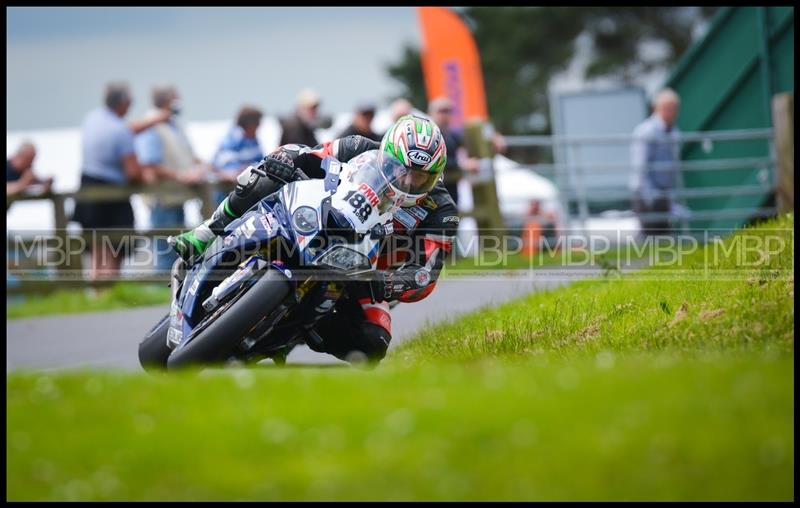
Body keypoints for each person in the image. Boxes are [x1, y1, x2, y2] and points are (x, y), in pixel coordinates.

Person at [170, 114, 456, 365]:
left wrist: (391, 283)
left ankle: (290, 334)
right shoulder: (357, 147)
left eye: (419, 178)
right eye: (400, 170)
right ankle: (208, 231)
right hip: (319, 221)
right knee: (263, 178)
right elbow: (310, 156)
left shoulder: (441, 211)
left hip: (365, 274)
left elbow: (426, 273)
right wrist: (285, 160)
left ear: (435, 176)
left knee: (372, 343)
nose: (406, 183)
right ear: (386, 154)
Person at [72, 81, 167, 280]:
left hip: (87, 188)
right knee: (115, 247)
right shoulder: (120, 130)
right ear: (123, 103)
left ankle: (97, 292)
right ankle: (110, 289)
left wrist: (154, 120)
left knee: (97, 246)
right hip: (112, 195)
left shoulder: (93, 118)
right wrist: (146, 175)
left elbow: (125, 129)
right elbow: (132, 171)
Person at [135, 84, 208, 272]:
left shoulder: (173, 124)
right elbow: (150, 164)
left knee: (176, 249)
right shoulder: (152, 126)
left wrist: (202, 167)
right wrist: (182, 176)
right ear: (167, 100)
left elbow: (186, 155)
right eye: (176, 97)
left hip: (176, 197)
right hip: (163, 199)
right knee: (165, 253)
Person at [630, 88, 687, 236]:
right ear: (656, 108)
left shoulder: (674, 131)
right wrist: (650, 197)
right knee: (650, 238)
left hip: (664, 192)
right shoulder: (646, 131)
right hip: (647, 193)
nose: (671, 112)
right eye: (667, 108)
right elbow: (641, 166)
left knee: (664, 236)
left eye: (673, 109)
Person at [211, 105, 265, 205]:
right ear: (250, 125)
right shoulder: (232, 139)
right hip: (227, 194)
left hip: (246, 193)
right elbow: (221, 166)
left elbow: (261, 162)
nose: (258, 128)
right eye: (257, 125)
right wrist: (242, 169)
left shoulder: (253, 140)